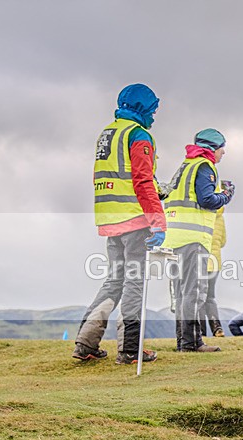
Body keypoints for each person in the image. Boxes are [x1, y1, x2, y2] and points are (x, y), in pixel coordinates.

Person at [72, 83, 165, 365]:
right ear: (144, 107)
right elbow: (141, 180)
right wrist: (157, 222)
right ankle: (129, 349)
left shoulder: (108, 133)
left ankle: (85, 343)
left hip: (109, 218)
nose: (154, 116)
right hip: (134, 219)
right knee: (135, 283)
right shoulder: (138, 134)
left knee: (114, 281)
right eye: (153, 110)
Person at [163, 129, 234, 352]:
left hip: (174, 237)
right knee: (193, 291)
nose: (223, 153)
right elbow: (208, 199)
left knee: (181, 291)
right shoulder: (205, 166)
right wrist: (227, 195)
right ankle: (192, 343)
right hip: (193, 237)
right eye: (222, 147)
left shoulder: (185, 166)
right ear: (213, 148)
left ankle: (183, 342)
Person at [200, 206, 227, 337]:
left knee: (198, 297)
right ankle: (217, 328)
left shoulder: (201, 215)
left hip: (201, 260)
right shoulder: (220, 218)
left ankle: (201, 331)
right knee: (210, 297)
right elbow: (223, 242)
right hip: (215, 262)